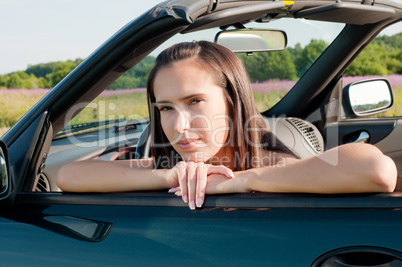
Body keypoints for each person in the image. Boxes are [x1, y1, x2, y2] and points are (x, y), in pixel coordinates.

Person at [57, 41, 398, 210]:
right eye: (165, 108)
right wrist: (169, 176)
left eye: (194, 102)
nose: (179, 125)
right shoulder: (171, 167)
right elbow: (68, 176)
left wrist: (240, 181)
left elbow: (377, 170)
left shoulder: (273, 165)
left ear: (232, 103)